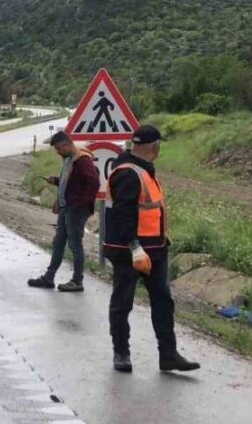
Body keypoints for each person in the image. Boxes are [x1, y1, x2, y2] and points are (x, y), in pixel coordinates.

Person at [104, 125, 199, 373]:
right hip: (130, 252)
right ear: (155, 147)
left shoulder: (144, 169)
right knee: (122, 302)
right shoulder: (128, 173)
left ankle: (168, 355)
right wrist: (135, 247)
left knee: (163, 302)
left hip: (155, 249)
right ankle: (121, 353)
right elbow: (122, 214)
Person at [27, 130, 99, 292]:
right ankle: (49, 277)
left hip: (75, 209)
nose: (58, 152)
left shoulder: (82, 160)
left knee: (75, 244)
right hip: (66, 207)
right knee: (58, 242)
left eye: (59, 148)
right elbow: (73, 183)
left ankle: (77, 281)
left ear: (66, 145)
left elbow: (93, 182)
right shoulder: (69, 160)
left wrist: (82, 204)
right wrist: (56, 181)